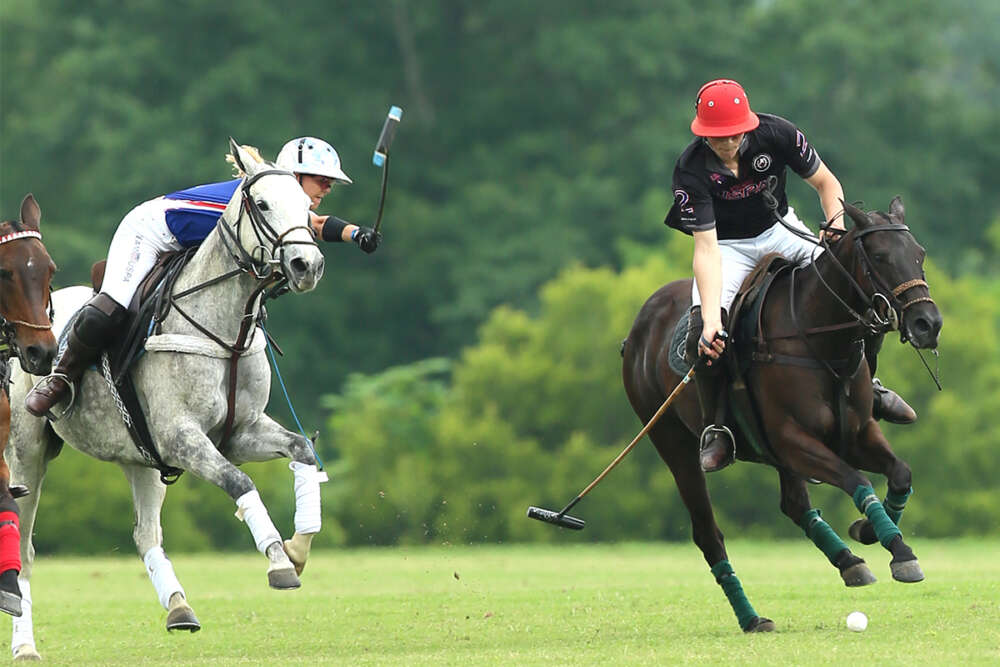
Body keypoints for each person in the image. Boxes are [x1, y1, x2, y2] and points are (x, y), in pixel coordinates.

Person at [25, 137, 378, 419]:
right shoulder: (261, 197)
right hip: (150, 232)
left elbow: (313, 226)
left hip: (188, 245)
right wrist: (353, 233)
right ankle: (60, 378)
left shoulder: (285, 206)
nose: (328, 188)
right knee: (115, 303)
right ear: (294, 175)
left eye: (331, 183)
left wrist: (357, 234)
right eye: (322, 180)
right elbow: (315, 225)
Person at [664, 79, 915, 473]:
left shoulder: (778, 133)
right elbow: (706, 248)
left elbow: (826, 183)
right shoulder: (691, 169)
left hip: (778, 229)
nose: (727, 144)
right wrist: (712, 317)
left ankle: (872, 386)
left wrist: (833, 225)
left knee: (850, 290)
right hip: (727, 248)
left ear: (747, 127)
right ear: (702, 133)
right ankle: (718, 428)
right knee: (703, 336)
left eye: (733, 135)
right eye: (717, 138)